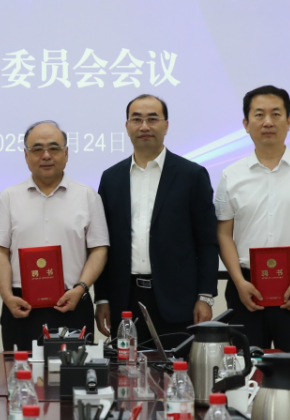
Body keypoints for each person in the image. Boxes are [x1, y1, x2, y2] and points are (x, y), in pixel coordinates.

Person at [215, 86, 290, 363]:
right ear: (246, 124)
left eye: (276, 114)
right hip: (245, 288)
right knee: (244, 370)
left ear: (288, 121)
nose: (268, 122)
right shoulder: (231, 175)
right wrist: (239, 281)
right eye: (259, 114)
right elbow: (223, 233)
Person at [94, 94, 219, 343]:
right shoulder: (111, 178)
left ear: (166, 125)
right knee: (125, 367)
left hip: (178, 301)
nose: (144, 126)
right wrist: (103, 298)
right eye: (136, 119)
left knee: (176, 366)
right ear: (127, 126)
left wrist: (205, 296)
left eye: (152, 119)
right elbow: (103, 242)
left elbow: (207, 241)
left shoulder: (192, 175)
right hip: (124, 300)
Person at [0, 120, 110, 351]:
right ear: (26, 155)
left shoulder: (87, 196)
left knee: (74, 374)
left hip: (73, 302)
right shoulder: (7, 198)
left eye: (54, 148)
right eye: (37, 149)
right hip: (21, 305)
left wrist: (81, 288)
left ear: (66, 153)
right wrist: (7, 296)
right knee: (20, 371)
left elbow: (99, 249)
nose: (46, 155)